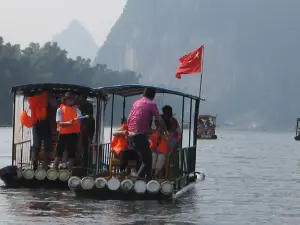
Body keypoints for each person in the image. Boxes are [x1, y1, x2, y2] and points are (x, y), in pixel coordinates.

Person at [127, 87, 168, 181]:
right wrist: (165, 130)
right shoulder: (151, 104)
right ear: (153, 96)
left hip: (131, 136)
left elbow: (129, 119)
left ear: (143, 94)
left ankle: (148, 178)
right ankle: (138, 180)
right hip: (139, 135)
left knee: (147, 156)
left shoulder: (136, 103)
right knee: (147, 161)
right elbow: (159, 119)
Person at [54, 92, 82, 171]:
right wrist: (68, 123)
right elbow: (59, 123)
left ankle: (69, 172)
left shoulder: (76, 109)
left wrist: (78, 118)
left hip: (73, 134)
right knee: (58, 155)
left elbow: (79, 119)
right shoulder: (60, 109)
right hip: (62, 134)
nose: (71, 100)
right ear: (65, 100)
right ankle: (53, 172)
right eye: (69, 99)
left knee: (71, 155)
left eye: (72, 99)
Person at [30, 91, 58, 170]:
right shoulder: (45, 102)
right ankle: (39, 165)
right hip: (41, 127)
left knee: (40, 146)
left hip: (40, 126)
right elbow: (53, 112)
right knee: (43, 147)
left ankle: (39, 165)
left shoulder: (36, 101)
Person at [78, 94, 95, 167]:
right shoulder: (84, 105)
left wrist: (80, 117)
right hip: (85, 130)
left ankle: (86, 165)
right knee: (85, 148)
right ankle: (85, 164)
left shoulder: (85, 105)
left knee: (86, 148)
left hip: (86, 130)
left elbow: (88, 116)